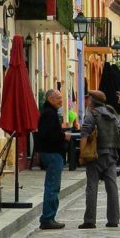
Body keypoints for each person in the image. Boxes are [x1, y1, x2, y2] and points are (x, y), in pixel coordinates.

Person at [79, 90, 120, 229]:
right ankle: (113, 219)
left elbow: (85, 134)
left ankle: (90, 220)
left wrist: (82, 154)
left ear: (92, 100)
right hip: (111, 155)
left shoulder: (92, 114)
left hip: (95, 155)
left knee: (92, 187)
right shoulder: (112, 114)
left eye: (88, 98)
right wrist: (117, 150)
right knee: (112, 188)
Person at [34, 89, 67, 230]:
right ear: (50, 99)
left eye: (61, 97)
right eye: (58, 98)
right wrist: (64, 136)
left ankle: (49, 217)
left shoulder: (49, 113)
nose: (61, 100)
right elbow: (50, 135)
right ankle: (48, 218)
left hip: (50, 152)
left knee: (52, 185)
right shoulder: (50, 114)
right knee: (53, 186)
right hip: (52, 153)